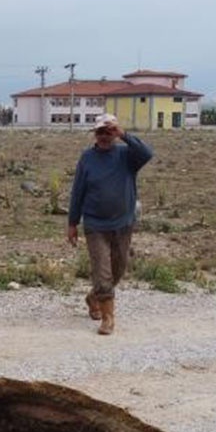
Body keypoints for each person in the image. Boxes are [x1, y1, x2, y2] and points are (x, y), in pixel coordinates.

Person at [66, 113, 152, 335]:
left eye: (108, 132)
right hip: (95, 224)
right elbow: (78, 191)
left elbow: (147, 153)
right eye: (100, 132)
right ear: (94, 134)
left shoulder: (127, 156)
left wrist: (123, 134)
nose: (104, 136)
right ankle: (108, 317)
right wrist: (72, 222)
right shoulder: (87, 158)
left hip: (123, 223)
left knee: (119, 267)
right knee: (102, 271)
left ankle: (94, 297)